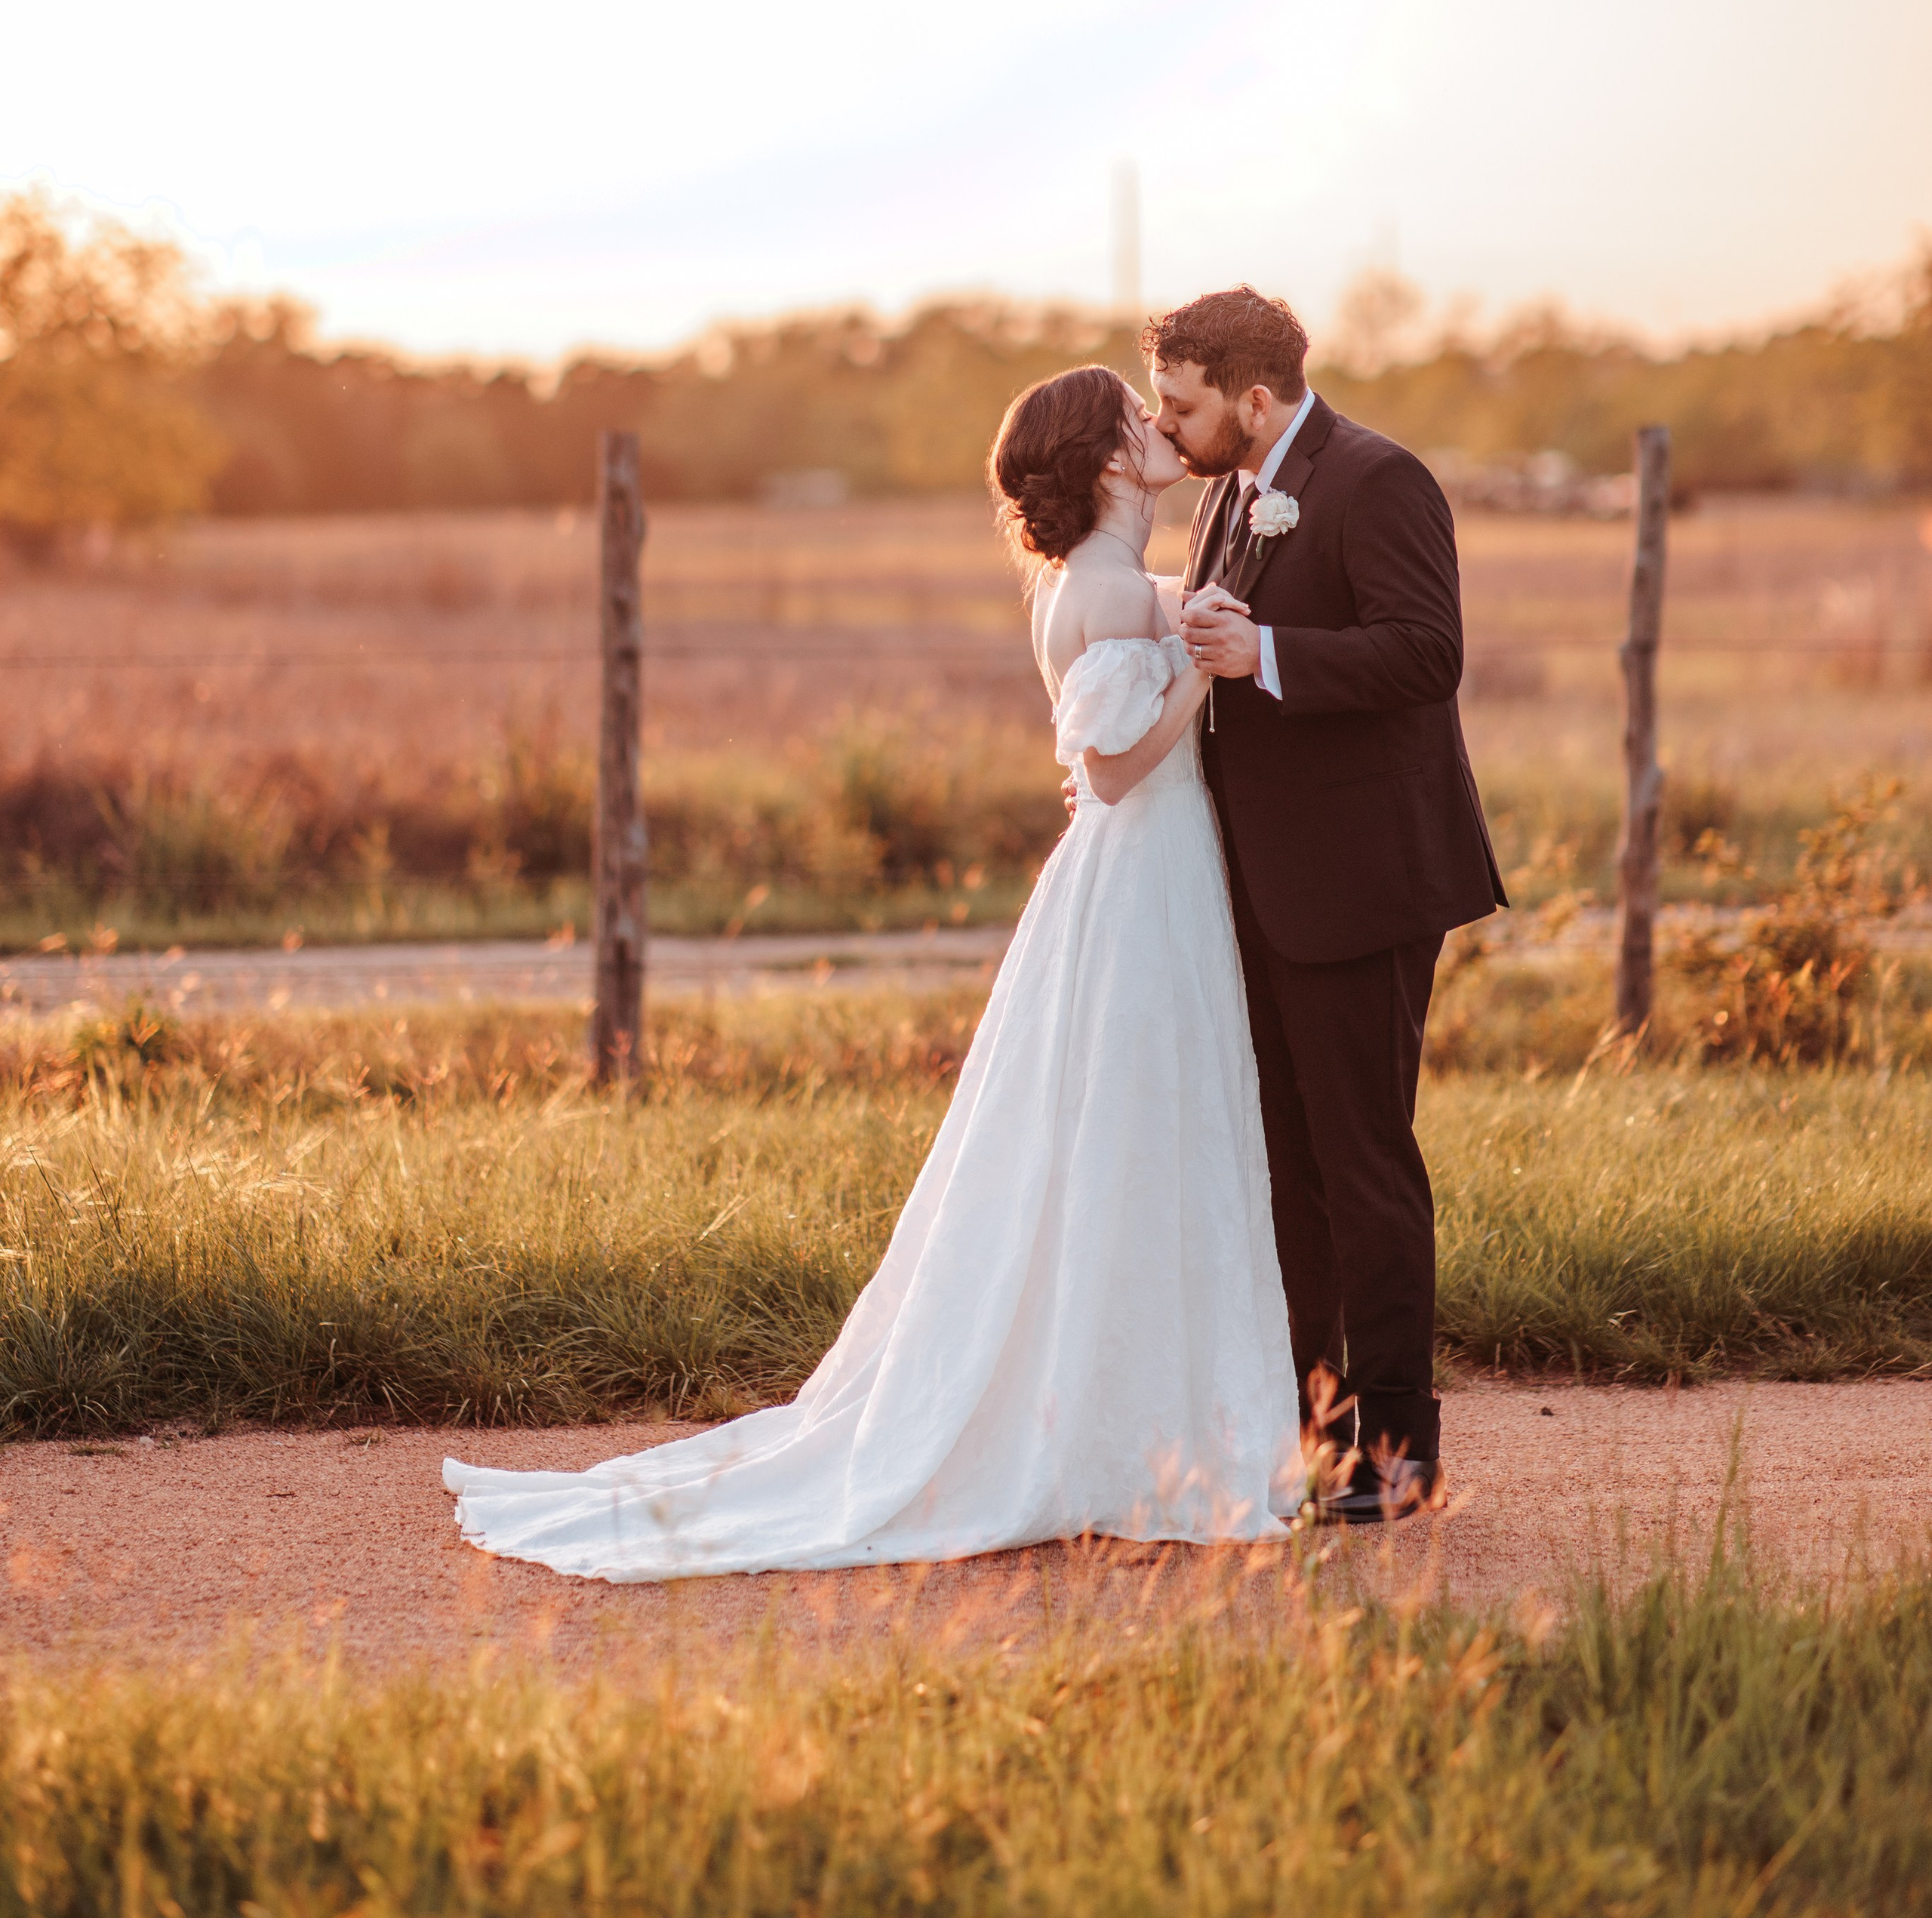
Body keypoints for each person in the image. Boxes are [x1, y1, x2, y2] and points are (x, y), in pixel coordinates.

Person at [442, 365, 1300, 1581]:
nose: (1160, 430)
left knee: (1132, 1139)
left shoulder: (1108, 584)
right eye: (1138, 419)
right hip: (1139, 867)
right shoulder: (1100, 592)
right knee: (1131, 1135)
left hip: (1151, 872)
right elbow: (1110, 770)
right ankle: (1129, 1438)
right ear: (1107, 461)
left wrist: (1219, 613)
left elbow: (1168, 620)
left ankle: (1138, 1424)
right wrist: (1203, 682)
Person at [1153, 285, 1507, 1521]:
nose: (1169, 424)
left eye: (1183, 404)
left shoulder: (1380, 480)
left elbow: (1427, 652)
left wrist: (1268, 657)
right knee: (1288, 1169)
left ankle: (1402, 1462)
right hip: (1260, 884)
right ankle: (1322, 1437)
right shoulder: (1222, 493)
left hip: (1363, 883)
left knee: (1364, 1163)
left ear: (1254, 399)